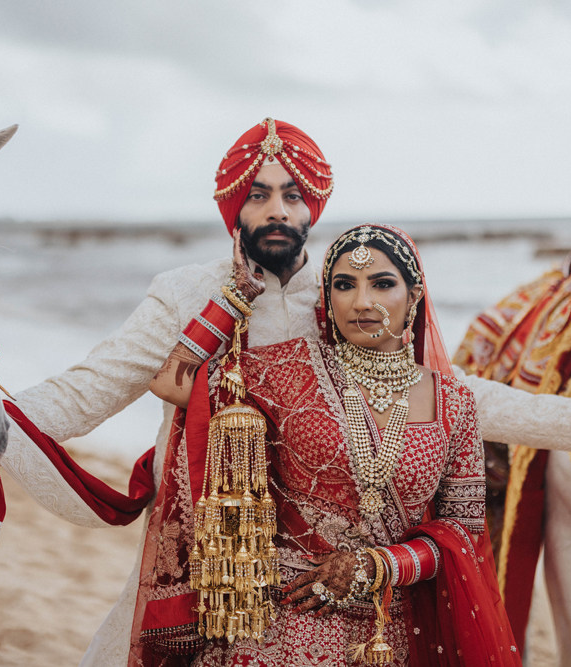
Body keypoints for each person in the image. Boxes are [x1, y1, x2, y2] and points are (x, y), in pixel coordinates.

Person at [0, 117, 571, 666]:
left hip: (352, 576)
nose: (277, 210)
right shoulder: (184, 293)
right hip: (205, 545)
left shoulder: (346, 293)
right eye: (258, 195)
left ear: (314, 205)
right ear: (234, 207)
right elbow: (89, 390)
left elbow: (451, 399)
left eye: (292, 194)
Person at [142, 223, 519, 666]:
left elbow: (462, 531)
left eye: (382, 283)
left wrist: (378, 567)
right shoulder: (286, 370)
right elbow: (172, 380)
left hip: (390, 630)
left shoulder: (453, 403)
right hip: (282, 624)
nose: (361, 302)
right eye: (344, 285)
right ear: (328, 298)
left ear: (414, 294)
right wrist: (237, 294)